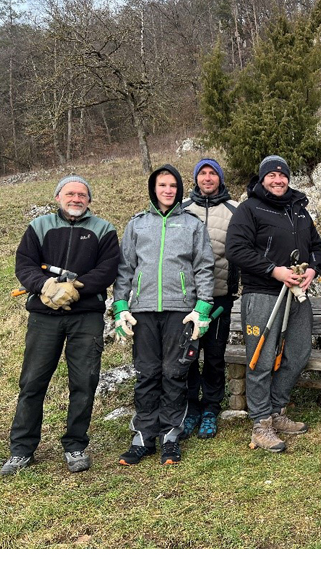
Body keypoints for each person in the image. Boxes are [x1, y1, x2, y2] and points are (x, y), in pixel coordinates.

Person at [1, 175, 120, 475]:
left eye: (82, 194)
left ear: (89, 200)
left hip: (87, 316)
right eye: (70, 193)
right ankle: (22, 449)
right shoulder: (39, 227)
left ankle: (75, 445)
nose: (76, 198)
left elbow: (108, 269)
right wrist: (46, 287)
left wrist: (76, 287)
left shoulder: (103, 229)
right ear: (58, 197)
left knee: (84, 381)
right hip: (44, 316)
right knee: (32, 382)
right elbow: (24, 263)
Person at [113, 164, 214, 466]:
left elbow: (204, 268)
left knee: (174, 373)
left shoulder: (193, 225)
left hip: (180, 312)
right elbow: (125, 269)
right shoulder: (138, 224)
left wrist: (202, 308)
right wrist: (120, 307)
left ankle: (171, 435)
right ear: (153, 189)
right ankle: (143, 436)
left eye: (172, 185)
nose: (168, 190)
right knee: (147, 374)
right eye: (162, 186)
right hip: (142, 311)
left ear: (179, 189)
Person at [226, 155, 321, 453]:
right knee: (262, 358)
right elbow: (236, 249)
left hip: (296, 295)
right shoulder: (249, 209)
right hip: (263, 294)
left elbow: (317, 247)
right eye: (272, 175)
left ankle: (277, 410)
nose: (278, 180)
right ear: (262, 178)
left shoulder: (300, 211)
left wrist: (312, 270)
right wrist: (273, 270)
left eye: (283, 175)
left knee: (299, 353)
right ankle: (260, 423)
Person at [180, 158, 238, 440]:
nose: (207, 178)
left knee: (214, 356)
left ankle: (211, 409)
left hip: (219, 297)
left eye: (212, 173)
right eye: (202, 173)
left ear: (220, 178)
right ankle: (190, 408)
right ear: (195, 179)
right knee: (188, 356)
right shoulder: (182, 210)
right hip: (184, 300)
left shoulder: (233, 210)